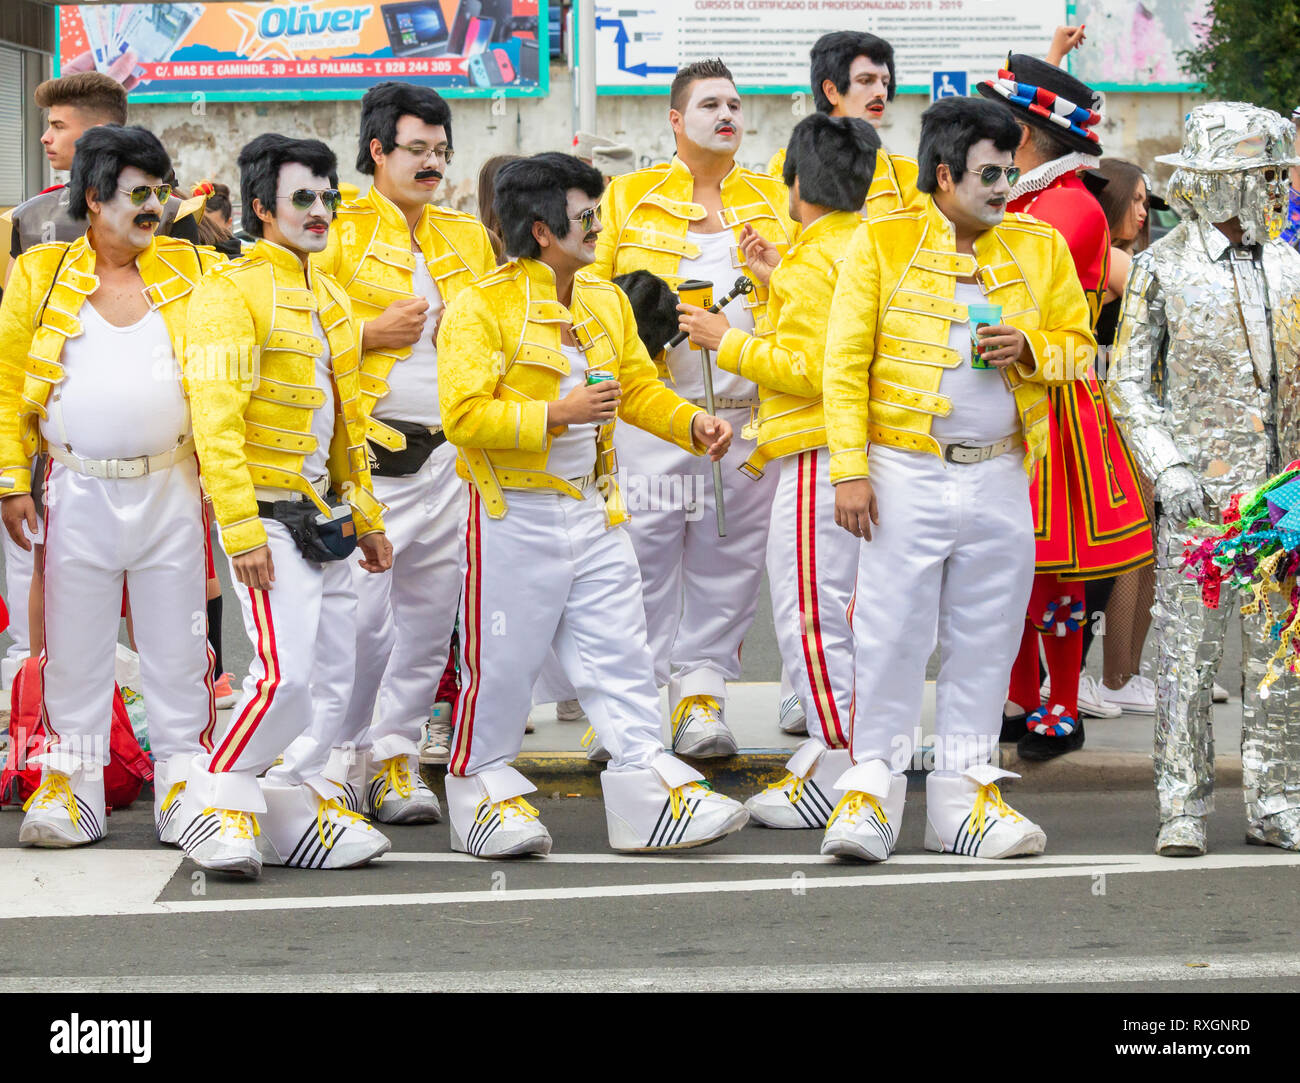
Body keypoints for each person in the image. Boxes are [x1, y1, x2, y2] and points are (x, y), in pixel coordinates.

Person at [436, 152, 748, 856]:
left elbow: (636, 388)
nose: (598, 227)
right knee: (504, 663)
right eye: (585, 215)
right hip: (511, 513)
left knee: (623, 653)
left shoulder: (604, 298)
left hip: (595, 510)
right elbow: (462, 417)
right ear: (542, 228)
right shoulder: (479, 306)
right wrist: (558, 412)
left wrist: (691, 425)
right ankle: (479, 788)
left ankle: (643, 788)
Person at [821, 96, 1095, 861]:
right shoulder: (881, 240)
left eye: (1011, 168)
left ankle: (964, 797)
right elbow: (842, 368)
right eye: (989, 171)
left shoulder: (1038, 248)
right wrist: (849, 470)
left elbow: (1084, 352)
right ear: (943, 173)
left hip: (1004, 473)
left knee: (987, 635)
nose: (1006, 184)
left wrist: (1034, 347)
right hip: (901, 470)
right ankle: (869, 790)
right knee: (889, 633)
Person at [0, 125, 222, 847]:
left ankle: (187, 784)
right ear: (95, 198)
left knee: (178, 646)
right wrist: (11, 481)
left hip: (174, 489)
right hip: (76, 492)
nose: (154, 205)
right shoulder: (39, 273)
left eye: (162, 191)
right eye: (139, 193)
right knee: (74, 645)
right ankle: (73, 786)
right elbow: (7, 388)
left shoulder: (195, 268)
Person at [184, 133, 393, 877]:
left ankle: (290, 802)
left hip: (326, 525)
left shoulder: (330, 294)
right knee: (286, 677)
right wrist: (240, 531)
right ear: (262, 208)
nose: (319, 210)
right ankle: (219, 804)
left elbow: (347, 426)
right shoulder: (227, 291)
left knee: (335, 680)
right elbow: (215, 423)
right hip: (266, 525)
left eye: (327, 196)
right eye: (302, 197)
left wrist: (365, 517)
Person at [676, 113, 879, 829]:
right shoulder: (865, 244)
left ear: (796, 182)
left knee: (811, 618)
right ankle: (842, 758)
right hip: (853, 451)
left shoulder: (815, 257)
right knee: (851, 614)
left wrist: (725, 340)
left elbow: (810, 368)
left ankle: (841, 762)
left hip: (818, 453)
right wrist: (769, 281)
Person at [1108, 102, 1300, 857]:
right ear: (1223, 183)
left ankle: (1276, 799)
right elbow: (1127, 383)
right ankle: (1181, 805)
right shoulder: (1163, 268)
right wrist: (1170, 467)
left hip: (1282, 502)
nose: (1279, 190)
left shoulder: (1291, 265)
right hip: (1198, 503)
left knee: (1277, 660)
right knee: (1186, 657)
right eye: (1266, 176)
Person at [592, 58, 795, 756]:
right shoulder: (627, 195)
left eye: (735, 104)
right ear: (676, 120)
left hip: (747, 412)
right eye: (710, 104)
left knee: (729, 558)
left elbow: (804, 299)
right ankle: (628, 703)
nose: (727, 115)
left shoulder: (774, 200)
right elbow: (590, 290)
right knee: (637, 557)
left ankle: (701, 699)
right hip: (650, 409)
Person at [306, 82, 495, 823]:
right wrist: (366, 335)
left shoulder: (466, 237)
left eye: (442, 152)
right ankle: (332, 763)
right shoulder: (333, 229)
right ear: (377, 150)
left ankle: (394, 757)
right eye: (416, 149)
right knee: (355, 627)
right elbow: (286, 341)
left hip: (450, 459)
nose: (431, 164)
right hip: (364, 468)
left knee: (424, 625)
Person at [977, 55, 1153, 758]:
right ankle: (1021, 695)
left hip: (1053, 400)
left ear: (1022, 134)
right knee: (1009, 561)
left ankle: (1058, 701)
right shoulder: (1029, 197)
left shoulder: (1068, 206)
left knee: (1051, 565)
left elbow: (1021, 304)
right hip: (1014, 392)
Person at [1091, 158, 1162, 715]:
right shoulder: (1110, 261)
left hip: (1127, 418)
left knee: (1145, 549)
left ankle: (1127, 673)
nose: (1143, 211)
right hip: (1109, 418)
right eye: (1136, 199)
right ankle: (1117, 674)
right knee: (1132, 549)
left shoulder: (1124, 259)